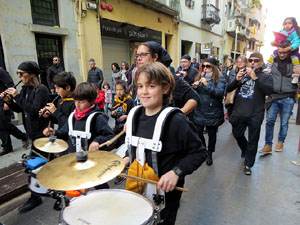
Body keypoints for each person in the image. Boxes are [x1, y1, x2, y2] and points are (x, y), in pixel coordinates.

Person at [123, 62, 207, 225]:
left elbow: (199, 152)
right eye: (140, 86)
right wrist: (127, 158)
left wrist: (175, 172)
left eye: (151, 86)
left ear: (166, 88)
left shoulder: (176, 121)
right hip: (138, 187)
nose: (144, 92)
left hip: (165, 198)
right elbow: (137, 147)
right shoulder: (134, 116)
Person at [1, 61, 50, 213]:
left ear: (32, 74)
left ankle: (36, 197)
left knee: (33, 167)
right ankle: (52, 189)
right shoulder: (25, 89)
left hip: (42, 134)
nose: (19, 77)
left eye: (22, 73)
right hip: (32, 133)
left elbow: (34, 110)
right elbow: (21, 108)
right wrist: (9, 101)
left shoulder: (41, 90)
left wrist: (17, 97)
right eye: (18, 74)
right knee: (44, 164)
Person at [227, 53, 273, 175]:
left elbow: (268, 90)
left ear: (261, 62)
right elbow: (228, 89)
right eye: (250, 60)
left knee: (253, 140)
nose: (252, 62)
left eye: (256, 60)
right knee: (237, 134)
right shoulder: (243, 74)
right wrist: (237, 80)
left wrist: (255, 78)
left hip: (255, 114)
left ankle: (248, 164)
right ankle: (245, 149)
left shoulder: (266, 76)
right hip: (240, 112)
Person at [135, 41, 200, 121]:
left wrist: (176, 117)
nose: (138, 58)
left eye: (143, 54)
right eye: (137, 55)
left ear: (155, 57)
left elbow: (194, 97)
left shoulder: (168, 78)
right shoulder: (139, 77)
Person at [43, 82, 114, 153]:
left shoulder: (97, 117)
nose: (77, 105)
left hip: (91, 159)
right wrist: (55, 132)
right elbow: (65, 132)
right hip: (73, 157)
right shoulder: (73, 116)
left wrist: (97, 141)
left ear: (91, 101)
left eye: (82, 102)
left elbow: (110, 136)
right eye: (76, 101)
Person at [259, 41, 298, 154]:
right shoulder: (273, 60)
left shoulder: (294, 61)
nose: (281, 55)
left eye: (284, 52)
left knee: (284, 122)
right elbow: (266, 73)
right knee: (270, 121)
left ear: (288, 51)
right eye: (280, 52)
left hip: (288, 96)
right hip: (274, 96)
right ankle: (268, 145)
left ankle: (280, 141)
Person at [192, 57, 226, 166]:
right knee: (197, 132)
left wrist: (207, 85)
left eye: (208, 66)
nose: (205, 68)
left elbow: (219, 93)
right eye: (203, 66)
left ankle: (209, 153)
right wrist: (195, 87)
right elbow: (195, 93)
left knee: (212, 135)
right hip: (200, 109)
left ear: (214, 68)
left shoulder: (220, 79)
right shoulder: (199, 76)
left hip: (213, 111)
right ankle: (203, 149)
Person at [0, 67, 29, 155]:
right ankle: (7, 146)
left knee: (6, 124)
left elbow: (11, 85)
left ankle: (23, 136)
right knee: (0, 125)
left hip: (3, 100)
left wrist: (8, 101)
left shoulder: (1, 71)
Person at [265, 17, 300, 82]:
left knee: (296, 59)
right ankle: (268, 68)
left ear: (294, 24)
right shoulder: (281, 32)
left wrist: (290, 48)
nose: (287, 25)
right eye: (285, 23)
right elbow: (277, 41)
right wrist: (273, 43)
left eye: (289, 23)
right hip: (281, 49)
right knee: (272, 56)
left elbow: (297, 42)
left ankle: (296, 75)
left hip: (292, 51)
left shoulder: (295, 32)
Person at [111, 80, 134, 148]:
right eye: (117, 90)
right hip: (117, 127)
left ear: (125, 90)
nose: (118, 92)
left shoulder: (129, 101)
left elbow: (134, 114)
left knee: (124, 146)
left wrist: (126, 116)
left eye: (120, 89)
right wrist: (113, 114)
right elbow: (113, 113)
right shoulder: (115, 101)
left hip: (126, 129)